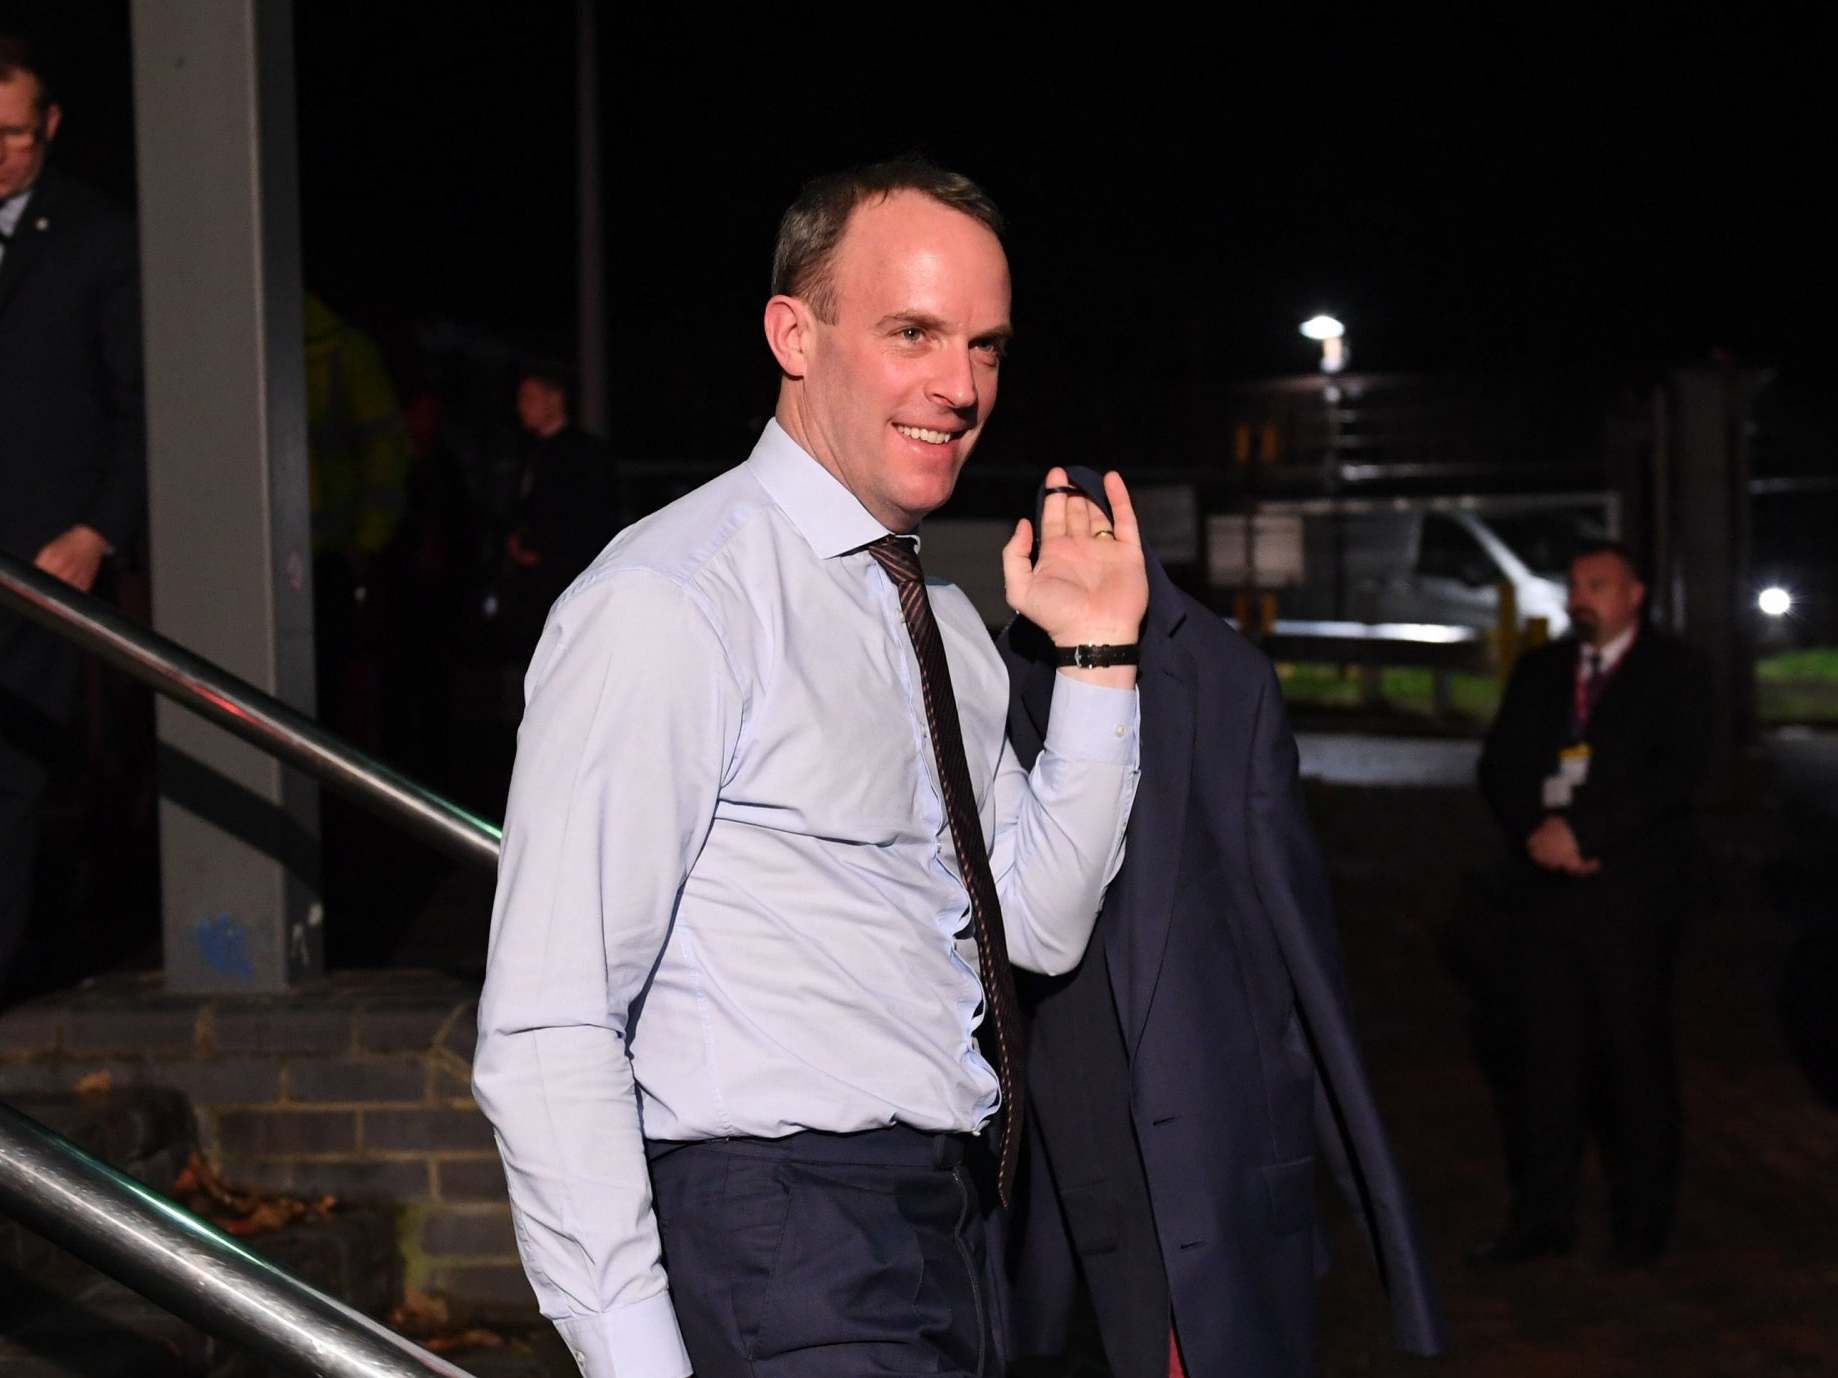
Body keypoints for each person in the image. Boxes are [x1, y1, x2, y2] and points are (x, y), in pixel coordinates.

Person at [472, 158, 1149, 1378]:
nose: (958, 386)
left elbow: (1034, 927)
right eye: (912, 333)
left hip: (951, 1225)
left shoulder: (934, 618)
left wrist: (1098, 657)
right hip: (776, 1232)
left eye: (985, 346)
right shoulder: (672, 598)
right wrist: (632, 1355)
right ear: (795, 331)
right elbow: (548, 1015)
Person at [1000, 470, 1445, 1378]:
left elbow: (1301, 950)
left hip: (1197, 1153)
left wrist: (1375, 1206)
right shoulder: (981, 679)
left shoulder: (1220, 677)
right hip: (1035, 1160)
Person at [1470, 539, 1711, 1267]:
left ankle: (1641, 1227)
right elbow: (1500, 765)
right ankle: (1542, 1219)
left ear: (1634, 594)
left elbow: (1678, 775)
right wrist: (1537, 832)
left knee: (1634, 1065)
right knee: (1544, 1063)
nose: (1583, 597)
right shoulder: (1544, 670)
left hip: (1630, 900)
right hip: (1544, 899)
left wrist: (1586, 832)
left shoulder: (1677, 672)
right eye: (1575, 584)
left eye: (1599, 584)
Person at [0, 33, 144, 1000]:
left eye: (10, 135)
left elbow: (142, 402)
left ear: (47, 127)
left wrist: (97, 531)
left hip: (38, 558)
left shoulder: (95, 236)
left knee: (9, 776)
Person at [498, 362, 620, 656]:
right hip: (532, 583)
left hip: (566, 580)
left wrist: (545, 554)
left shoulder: (585, 454)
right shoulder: (530, 451)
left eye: (529, 398)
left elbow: (590, 518)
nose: (521, 407)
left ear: (554, 399)